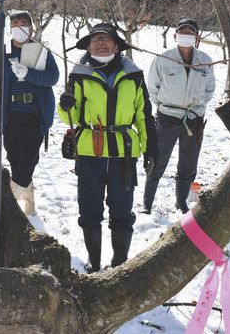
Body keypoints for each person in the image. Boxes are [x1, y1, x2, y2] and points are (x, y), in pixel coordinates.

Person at [58, 23, 157, 272]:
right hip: (90, 153)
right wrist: (66, 104)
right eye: (95, 39)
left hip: (124, 154)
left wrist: (150, 148)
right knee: (90, 210)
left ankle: (120, 264)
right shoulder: (79, 75)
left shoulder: (134, 76)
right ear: (89, 46)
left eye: (106, 39)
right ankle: (94, 262)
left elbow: (144, 115)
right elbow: (70, 116)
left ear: (116, 45)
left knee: (122, 212)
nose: (101, 43)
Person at [142, 18, 215, 214]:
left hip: (194, 119)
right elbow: (153, 88)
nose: (186, 35)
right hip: (167, 117)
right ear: (175, 35)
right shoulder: (163, 59)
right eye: (183, 31)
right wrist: (167, 106)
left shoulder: (206, 61)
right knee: (157, 159)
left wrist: (195, 107)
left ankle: (181, 202)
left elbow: (209, 90)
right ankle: (147, 204)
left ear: (197, 37)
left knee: (188, 163)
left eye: (191, 32)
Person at [3, 11, 59, 215]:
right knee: (14, 157)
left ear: (31, 28)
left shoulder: (38, 50)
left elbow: (52, 78)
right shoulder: (4, 52)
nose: (19, 27)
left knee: (27, 158)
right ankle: (29, 197)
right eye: (15, 23)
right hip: (10, 113)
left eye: (23, 23)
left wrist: (29, 73)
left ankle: (8, 202)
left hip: (34, 113)